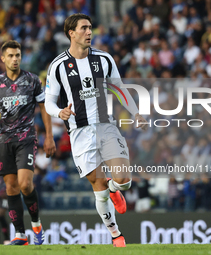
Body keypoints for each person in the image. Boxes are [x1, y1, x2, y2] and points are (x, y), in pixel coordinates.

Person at [45, 14, 147, 247]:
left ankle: (115, 189)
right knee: (98, 187)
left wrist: (136, 113)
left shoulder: (104, 59)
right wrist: (58, 112)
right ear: (71, 33)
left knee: (123, 180)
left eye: (90, 28)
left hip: (106, 125)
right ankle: (115, 235)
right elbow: (49, 101)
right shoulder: (58, 66)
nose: (89, 32)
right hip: (79, 133)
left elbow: (119, 89)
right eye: (84, 28)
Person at [0, 40, 56, 246]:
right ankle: (20, 234)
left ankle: (36, 224)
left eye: (18, 55)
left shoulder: (32, 80)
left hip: (26, 138)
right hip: (5, 140)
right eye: (11, 56)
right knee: (11, 188)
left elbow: (44, 107)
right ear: (3, 58)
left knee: (25, 184)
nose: (15, 59)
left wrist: (49, 136)